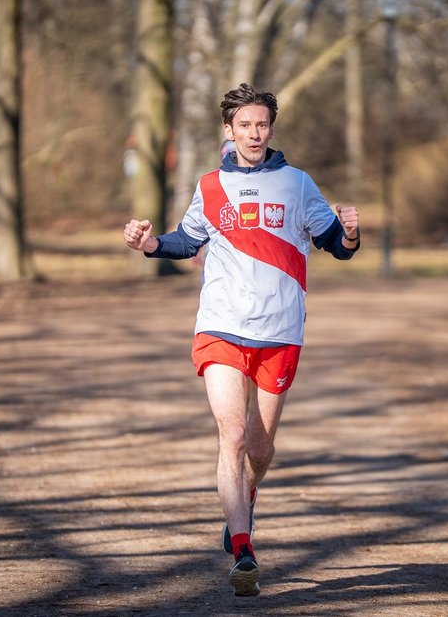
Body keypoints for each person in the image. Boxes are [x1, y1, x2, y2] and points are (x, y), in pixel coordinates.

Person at [122, 83, 360, 597]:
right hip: (222, 325)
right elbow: (187, 240)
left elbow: (333, 246)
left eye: (262, 124)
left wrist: (350, 233)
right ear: (228, 131)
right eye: (245, 125)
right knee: (230, 437)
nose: (255, 133)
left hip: (280, 332)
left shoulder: (298, 185)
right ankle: (243, 549)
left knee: (260, 444)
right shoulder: (209, 185)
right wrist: (149, 244)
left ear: (271, 129)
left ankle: (244, 499)